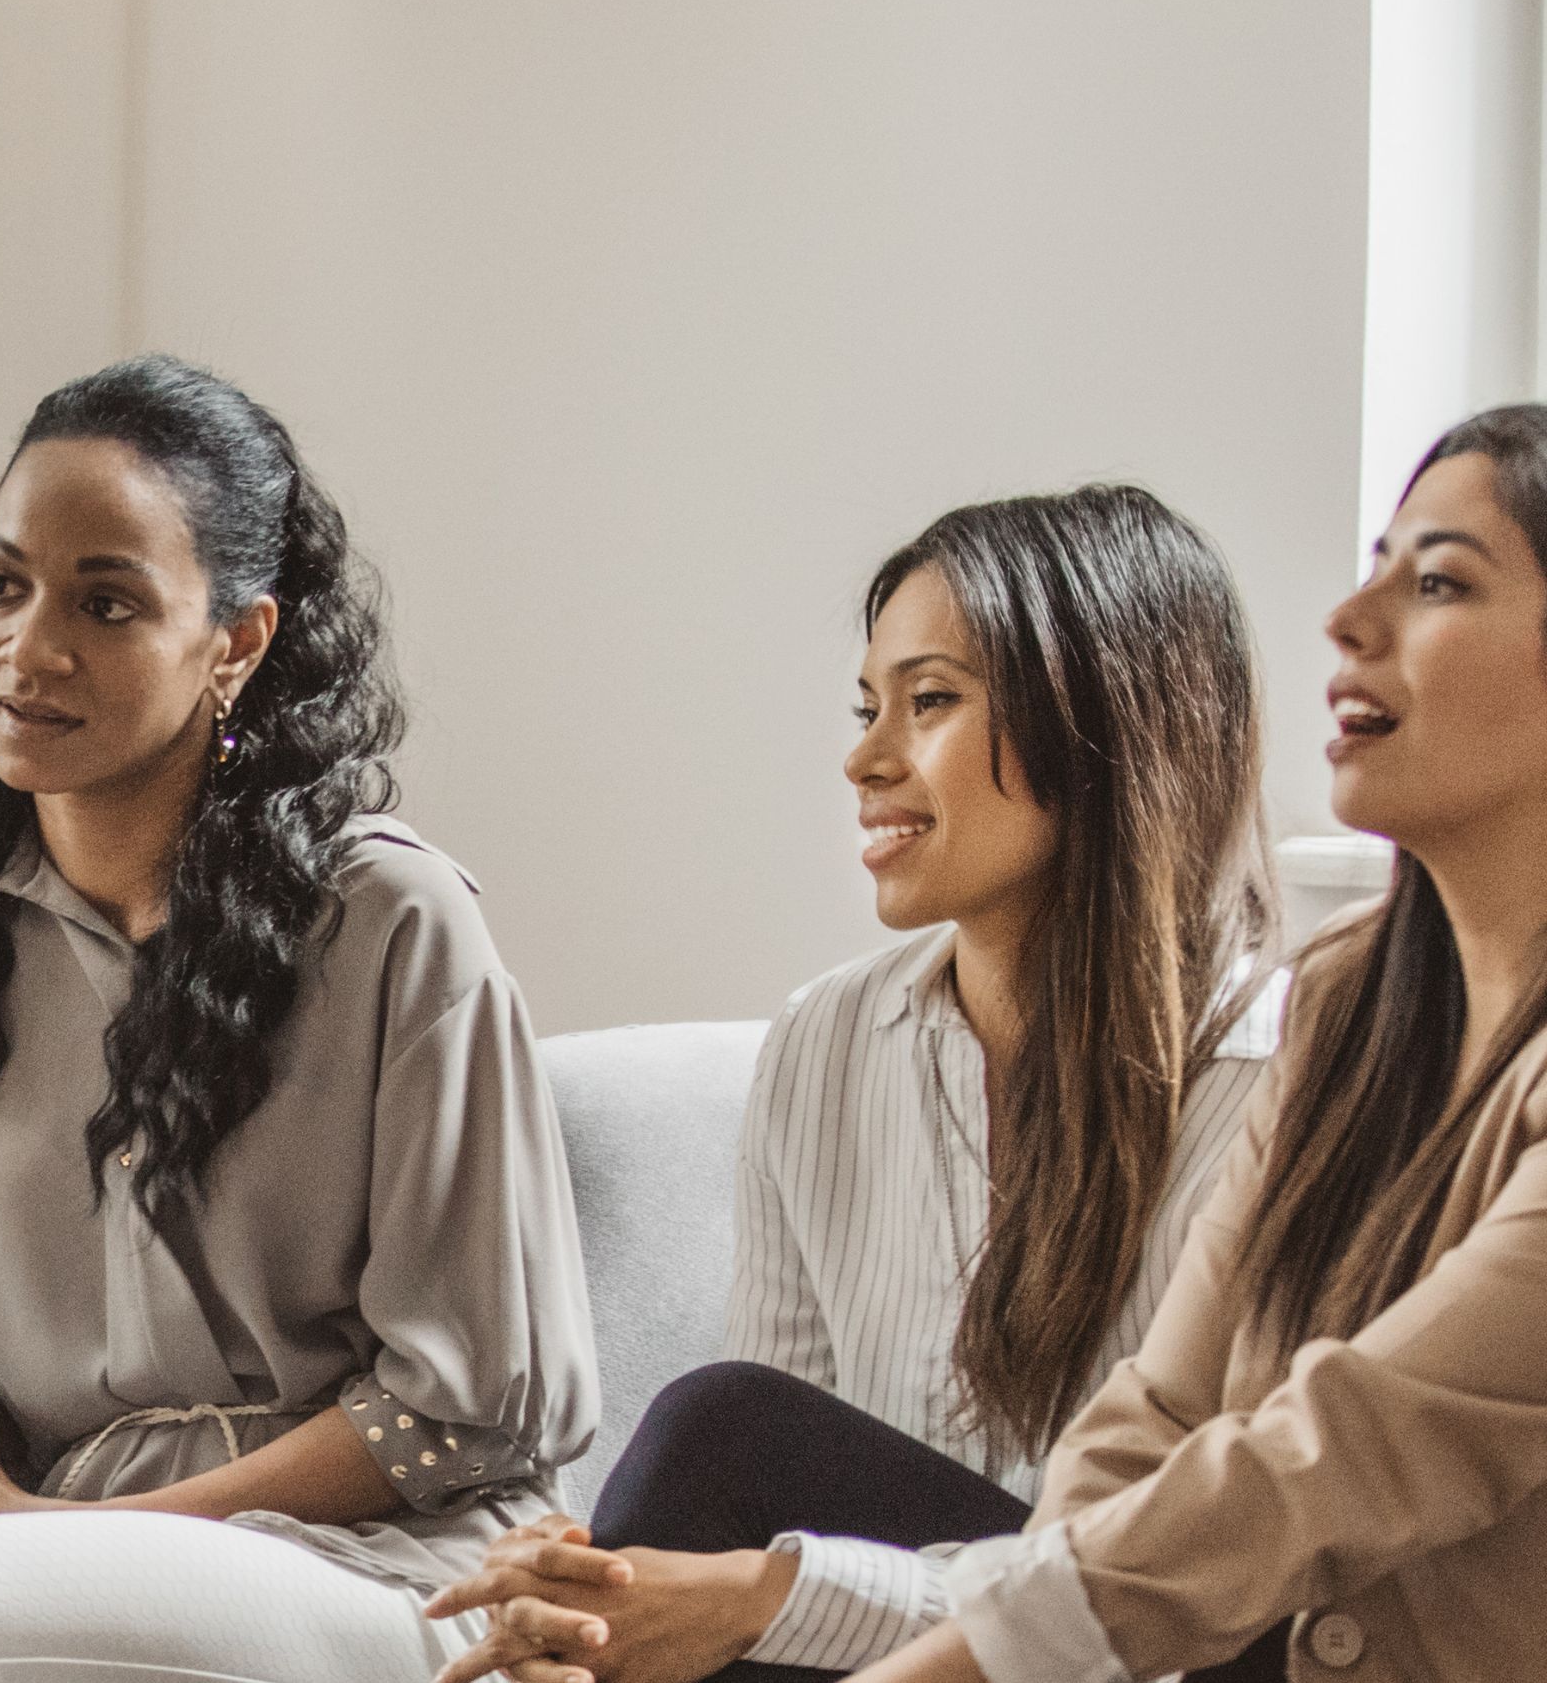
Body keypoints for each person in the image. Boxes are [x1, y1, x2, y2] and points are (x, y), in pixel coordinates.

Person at [0, 356, 599, 1683]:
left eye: (106, 602)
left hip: (389, 1569)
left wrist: (92, 1533)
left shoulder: (392, 921)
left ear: (236, 641)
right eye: (7, 584)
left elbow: (460, 1410)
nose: (29, 645)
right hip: (78, 1557)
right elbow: (75, 1336)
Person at [431, 487, 1283, 1683]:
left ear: (1103, 725)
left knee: (717, 1430)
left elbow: (1186, 1590)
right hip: (889, 1651)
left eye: (930, 701)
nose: (865, 757)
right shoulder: (828, 1043)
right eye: (869, 705)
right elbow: (773, 1504)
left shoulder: (1277, 1082)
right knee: (662, 1516)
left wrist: (759, 1592)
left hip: (1159, 1648)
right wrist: (639, 1595)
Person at [847, 406, 1547, 1682]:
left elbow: (1361, 1442)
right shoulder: (1348, 1001)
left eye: (1438, 580)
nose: (1349, 617)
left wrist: (964, 1661)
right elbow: (1160, 1412)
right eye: (1378, 563)